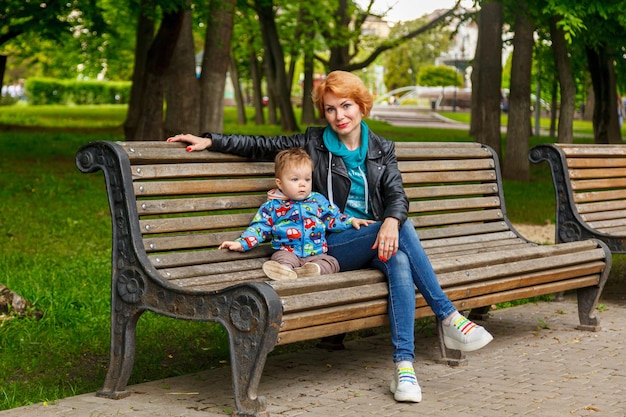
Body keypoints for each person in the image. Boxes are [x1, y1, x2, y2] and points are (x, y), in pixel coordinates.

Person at [168, 70, 493, 403]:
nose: (339, 116)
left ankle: (404, 370)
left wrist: (390, 220)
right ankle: (449, 317)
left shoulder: (382, 148)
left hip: (372, 240)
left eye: (346, 105)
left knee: (398, 259)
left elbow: (397, 195)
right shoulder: (312, 142)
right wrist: (211, 140)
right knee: (402, 228)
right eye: (330, 109)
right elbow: (259, 144)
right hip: (328, 244)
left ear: (362, 106)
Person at [219, 147, 373, 280]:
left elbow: (332, 217)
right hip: (288, 252)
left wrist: (350, 221)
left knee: (332, 263)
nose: (302, 184)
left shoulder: (317, 200)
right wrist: (241, 243)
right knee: (280, 258)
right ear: (280, 183)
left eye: (307, 179)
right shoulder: (273, 206)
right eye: (295, 179)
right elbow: (259, 228)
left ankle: (314, 271)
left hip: (317, 253)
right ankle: (285, 271)